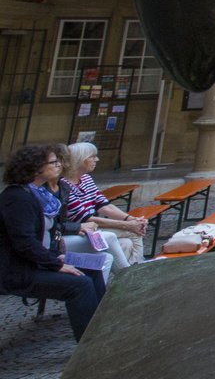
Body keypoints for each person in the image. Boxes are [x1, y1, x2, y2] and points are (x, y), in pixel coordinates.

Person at [1, 143, 104, 341]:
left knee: (93, 269)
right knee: (79, 284)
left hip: (39, 260)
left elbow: (49, 234)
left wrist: (58, 255)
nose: (59, 165)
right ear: (35, 168)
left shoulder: (38, 194)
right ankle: (89, 345)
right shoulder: (17, 198)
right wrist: (57, 263)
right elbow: (24, 244)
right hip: (18, 270)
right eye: (53, 162)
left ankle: (102, 329)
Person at [59, 141, 144, 271]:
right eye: (92, 157)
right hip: (78, 229)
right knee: (132, 232)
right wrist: (127, 225)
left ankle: (121, 280)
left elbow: (103, 205)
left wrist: (131, 219)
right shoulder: (64, 185)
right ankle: (136, 271)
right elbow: (84, 218)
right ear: (79, 160)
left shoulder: (86, 179)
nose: (97, 160)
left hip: (91, 226)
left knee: (126, 243)